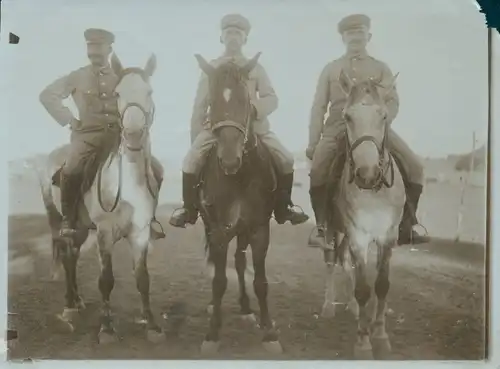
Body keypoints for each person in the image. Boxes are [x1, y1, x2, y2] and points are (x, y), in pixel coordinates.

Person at [169, 13, 309, 228]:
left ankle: (283, 207)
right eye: (228, 33)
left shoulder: (255, 67)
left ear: (244, 39)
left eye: (238, 33)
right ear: (221, 38)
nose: (233, 37)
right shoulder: (211, 69)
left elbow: (271, 98)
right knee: (190, 160)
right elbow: (199, 105)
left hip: (254, 127)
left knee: (286, 159)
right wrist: (196, 136)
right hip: (217, 127)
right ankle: (189, 209)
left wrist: (255, 109)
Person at [306, 14, 429, 246]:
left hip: (375, 129)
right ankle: (322, 227)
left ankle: (408, 223)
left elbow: (392, 101)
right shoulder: (331, 70)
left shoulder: (381, 68)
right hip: (337, 128)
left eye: (359, 33)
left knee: (415, 166)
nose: (355, 38)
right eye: (350, 34)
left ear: (368, 36)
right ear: (343, 38)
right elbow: (318, 106)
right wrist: (314, 142)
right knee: (318, 169)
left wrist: (382, 120)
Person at [39, 28, 165, 239]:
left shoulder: (120, 76)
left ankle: (148, 219)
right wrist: (69, 120)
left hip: (118, 136)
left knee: (156, 169)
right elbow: (47, 95)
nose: (95, 50)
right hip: (87, 136)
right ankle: (69, 219)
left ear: (109, 49)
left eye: (99, 46)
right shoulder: (76, 77)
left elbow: (137, 95)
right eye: (91, 46)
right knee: (71, 168)